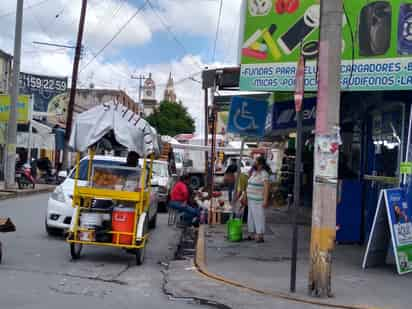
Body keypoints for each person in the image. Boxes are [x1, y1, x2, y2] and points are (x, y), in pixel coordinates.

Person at [246, 156, 270, 243]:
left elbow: (267, 187)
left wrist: (265, 200)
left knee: (259, 217)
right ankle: (251, 234)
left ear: (260, 164)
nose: (254, 163)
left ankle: (260, 236)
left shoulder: (264, 173)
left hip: (258, 200)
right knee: (251, 217)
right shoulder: (254, 172)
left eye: (255, 162)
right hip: (251, 199)